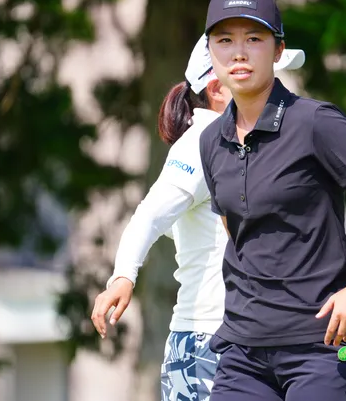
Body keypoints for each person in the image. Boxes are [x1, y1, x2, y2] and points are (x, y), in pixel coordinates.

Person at [198, 0, 346, 401]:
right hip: (243, 350)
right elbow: (235, 231)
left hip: (324, 345)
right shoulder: (211, 141)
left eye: (253, 39)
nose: (238, 53)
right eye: (225, 41)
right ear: (210, 53)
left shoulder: (316, 122)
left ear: (278, 50)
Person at [89, 33, 306, 401]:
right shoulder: (202, 141)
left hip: (249, 339)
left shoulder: (247, 145)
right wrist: (123, 277)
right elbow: (149, 216)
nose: (277, 91)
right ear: (217, 89)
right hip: (208, 343)